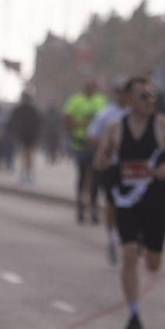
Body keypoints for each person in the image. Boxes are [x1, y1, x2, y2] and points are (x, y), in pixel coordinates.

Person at [95, 76, 165, 329]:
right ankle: (134, 313)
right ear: (129, 100)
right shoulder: (117, 128)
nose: (150, 101)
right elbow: (101, 157)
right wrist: (105, 162)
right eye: (143, 96)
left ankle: (146, 248)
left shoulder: (162, 126)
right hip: (127, 200)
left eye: (152, 96)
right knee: (128, 254)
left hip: (156, 202)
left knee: (153, 263)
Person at [89, 82, 133, 262]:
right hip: (113, 166)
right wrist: (105, 149)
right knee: (112, 204)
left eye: (126, 93)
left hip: (133, 169)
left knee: (132, 205)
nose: (122, 96)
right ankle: (112, 238)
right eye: (120, 92)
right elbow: (92, 136)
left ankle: (130, 239)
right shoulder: (106, 114)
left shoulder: (137, 115)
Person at [63, 80, 108, 224]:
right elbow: (67, 120)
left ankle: (94, 207)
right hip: (80, 143)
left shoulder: (101, 101)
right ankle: (81, 205)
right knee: (82, 176)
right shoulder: (76, 100)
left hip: (96, 145)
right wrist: (81, 124)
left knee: (96, 178)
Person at [8, 93, 42, 184]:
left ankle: (28, 174)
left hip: (27, 136)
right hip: (26, 136)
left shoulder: (26, 110)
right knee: (26, 156)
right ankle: (27, 174)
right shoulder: (31, 110)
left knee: (27, 156)